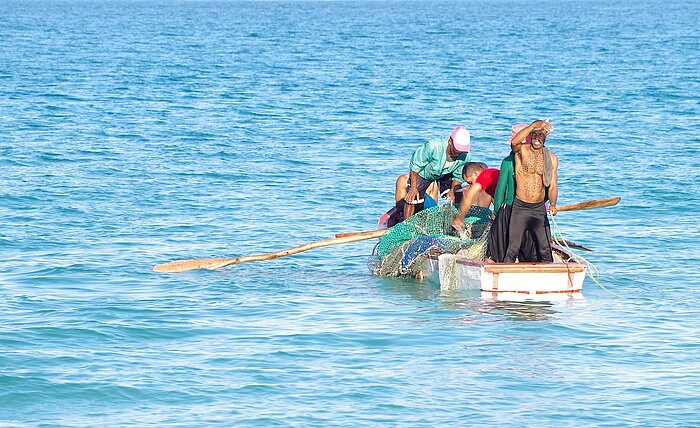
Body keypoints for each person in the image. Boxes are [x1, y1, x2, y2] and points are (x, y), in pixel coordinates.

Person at [503, 120, 559, 263]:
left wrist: (553, 204)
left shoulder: (551, 158)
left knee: (545, 248)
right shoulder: (522, 151)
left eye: (541, 135)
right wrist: (533, 125)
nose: (537, 138)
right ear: (530, 135)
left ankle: (550, 280)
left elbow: (552, 185)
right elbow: (514, 143)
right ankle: (504, 279)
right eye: (535, 135)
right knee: (513, 248)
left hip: (538, 208)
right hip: (520, 207)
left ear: (546, 137)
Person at [403, 126, 472, 219]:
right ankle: (406, 225)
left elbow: (458, 175)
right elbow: (415, 164)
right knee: (413, 198)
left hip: (447, 173)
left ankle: (456, 222)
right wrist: (413, 187)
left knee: (457, 192)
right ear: (450, 141)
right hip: (424, 173)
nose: (458, 153)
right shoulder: (433, 146)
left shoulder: (465, 156)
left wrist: (452, 190)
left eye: (461, 151)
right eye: (456, 150)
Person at [451, 162, 497, 232]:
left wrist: (459, 219)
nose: (472, 185)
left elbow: (459, 206)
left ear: (476, 174)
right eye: (468, 183)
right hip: (485, 223)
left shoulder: (464, 190)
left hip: (467, 223)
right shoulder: (490, 189)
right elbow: (497, 208)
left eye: (470, 182)